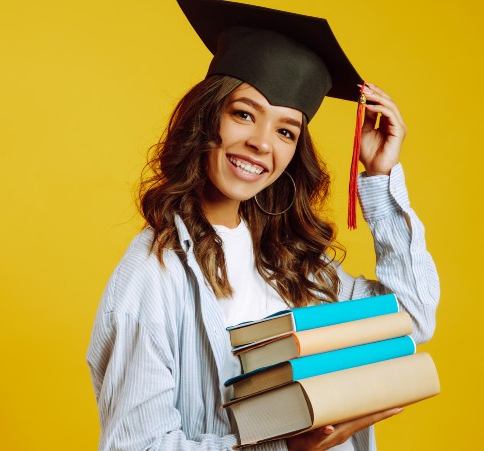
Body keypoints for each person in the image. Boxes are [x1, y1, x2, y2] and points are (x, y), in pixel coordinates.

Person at [85, 1, 439, 450]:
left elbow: (410, 318)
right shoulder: (152, 276)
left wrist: (380, 179)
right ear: (207, 116)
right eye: (244, 114)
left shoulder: (292, 264)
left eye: (286, 131)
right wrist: (283, 446)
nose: (260, 144)